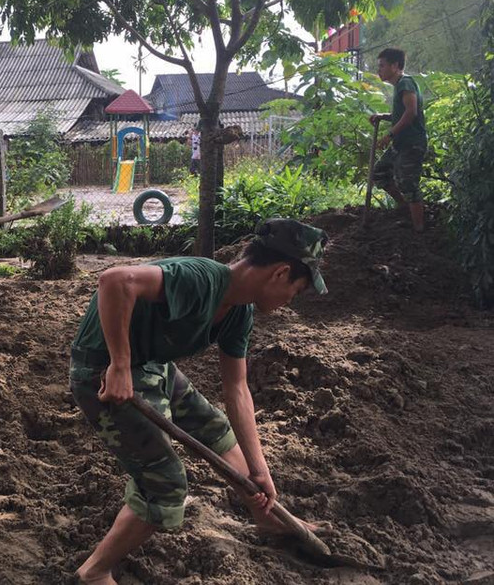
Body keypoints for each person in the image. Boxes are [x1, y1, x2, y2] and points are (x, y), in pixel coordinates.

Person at [70, 218, 329, 584]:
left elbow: (237, 388)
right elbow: (114, 281)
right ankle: (93, 573)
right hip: (102, 372)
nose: (291, 301)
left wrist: (259, 472)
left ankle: (267, 516)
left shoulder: (240, 311)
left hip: (154, 365)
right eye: (297, 291)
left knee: (216, 430)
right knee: (166, 484)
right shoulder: (200, 278)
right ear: (281, 273)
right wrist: (120, 364)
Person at [369, 47, 427, 233]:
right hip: (401, 144)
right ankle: (404, 209)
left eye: (382, 65)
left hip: (412, 144)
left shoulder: (406, 83)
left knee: (408, 183)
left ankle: (418, 227)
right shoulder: (400, 86)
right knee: (379, 174)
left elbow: (411, 112)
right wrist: (383, 116)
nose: (379, 70)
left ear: (395, 66)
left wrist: (389, 135)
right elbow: (401, 112)